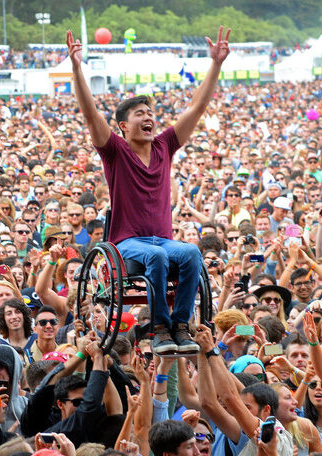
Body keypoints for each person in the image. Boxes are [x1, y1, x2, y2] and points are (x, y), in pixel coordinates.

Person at [67, 26, 232, 355]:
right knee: (155, 256)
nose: (149, 117)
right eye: (140, 114)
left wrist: (215, 65)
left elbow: (197, 109)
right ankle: (158, 327)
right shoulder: (114, 150)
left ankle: (180, 325)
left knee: (191, 253)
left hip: (164, 240)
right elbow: (89, 114)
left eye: (151, 113)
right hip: (129, 244)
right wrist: (76, 68)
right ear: (124, 126)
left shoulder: (165, 145)